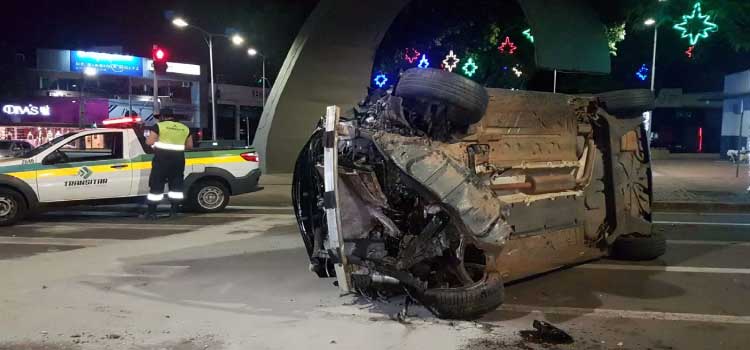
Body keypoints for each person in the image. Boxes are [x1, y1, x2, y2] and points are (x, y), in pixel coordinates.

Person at [144, 109, 193, 219]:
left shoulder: (159, 126)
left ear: (162, 117)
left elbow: (149, 142)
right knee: (176, 187)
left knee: (156, 186)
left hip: (161, 160)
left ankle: (151, 213)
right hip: (178, 161)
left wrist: (157, 145)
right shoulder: (184, 128)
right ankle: (174, 212)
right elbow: (190, 146)